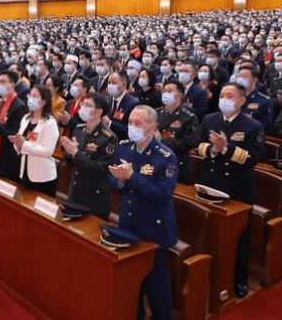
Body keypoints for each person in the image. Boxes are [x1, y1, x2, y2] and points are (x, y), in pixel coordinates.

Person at [108, 105, 178, 320]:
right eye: (130, 122)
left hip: (153, 227)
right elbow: (112, 178)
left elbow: (162, 194)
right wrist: (120, 180)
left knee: (157, 283)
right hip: (129, 221)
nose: (132, 127)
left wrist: (132, 177)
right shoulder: (124, 148)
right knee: (132, 279)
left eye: (138, 123)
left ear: (152, 127)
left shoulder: (165, 156)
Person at [196, 83, 265, 298]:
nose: (224, 98)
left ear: (241, 101)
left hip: (238, 188)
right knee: (210, 234)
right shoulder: (210, 119)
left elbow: (254, 157)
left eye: (230, 96)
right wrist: (214, 149)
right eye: (222, 95)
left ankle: (239, 280)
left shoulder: (253, 126)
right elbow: (198, 146)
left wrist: (226, 148)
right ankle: (211, 276)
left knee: (239, 240)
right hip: (211, 183)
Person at [61, 92, 117, 220]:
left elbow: (100, 169)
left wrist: (76, 153)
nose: (82, 108)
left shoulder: (109, 138)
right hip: (75, 191)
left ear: (98, 112)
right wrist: (69, 154)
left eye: (87, 105)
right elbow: (70, 161)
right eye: (82, 104)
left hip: (94, 197)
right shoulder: (78, 129)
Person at [9, 85, 59, 196]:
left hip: (42, 177)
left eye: (35, 96)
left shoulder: (50, 122)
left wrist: (24, 145)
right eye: (30, 95)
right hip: (24, 170)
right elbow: (20, 141)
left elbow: (48, 151)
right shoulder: (26, 118)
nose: (30, 99)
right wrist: (17, 144)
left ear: (44, 101)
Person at [156, 81, 201, 184]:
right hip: (157, 160)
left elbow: (189, 143)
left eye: (170, 91)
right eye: (164, 91)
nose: (166, 94)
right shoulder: (156, 113)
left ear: (180, 95)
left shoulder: (189, 117)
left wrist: (162, 140)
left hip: (177, 163)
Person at [103, 71, 138, 140]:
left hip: (121, 140)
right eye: (109, 83)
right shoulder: (106, 99)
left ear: (124, 85)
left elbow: (131, 129)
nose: (110, 86)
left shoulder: (132, 103)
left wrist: (110, 123)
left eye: (114, 83)